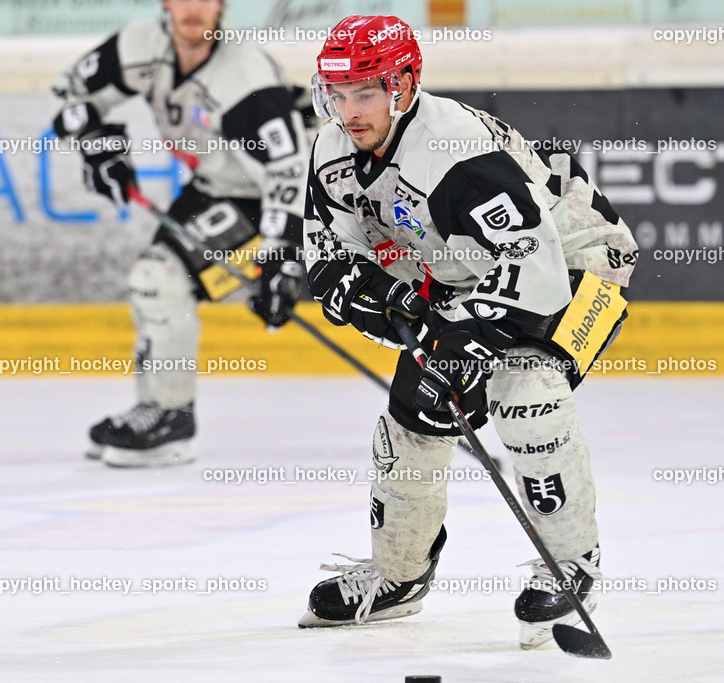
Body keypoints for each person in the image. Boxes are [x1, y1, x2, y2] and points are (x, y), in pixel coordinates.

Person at [298, 15, 639, 650]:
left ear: (405, 85)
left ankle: (573, 565)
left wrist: (461, 342)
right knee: (412, 420)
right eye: (336, 93)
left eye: (366, 91)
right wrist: (366, 294)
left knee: (524, 392)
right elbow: (329, 251)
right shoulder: (330, 152)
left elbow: (535, 276)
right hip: (466, 274)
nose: (349, 110)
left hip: (576, 263)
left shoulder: (457, 153)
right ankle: (399, 577)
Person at [51, 0, 311, 467]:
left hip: (273, 197)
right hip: (212, 186)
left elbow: (290, 171)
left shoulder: (245, 77)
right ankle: (158, 407)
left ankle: (172, 420)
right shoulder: (140, 45)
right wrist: (101, 147)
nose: (194, 8)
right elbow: (72, 94)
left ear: (223, 6)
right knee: (154, 285)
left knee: (160, 280)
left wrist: (280, 256)